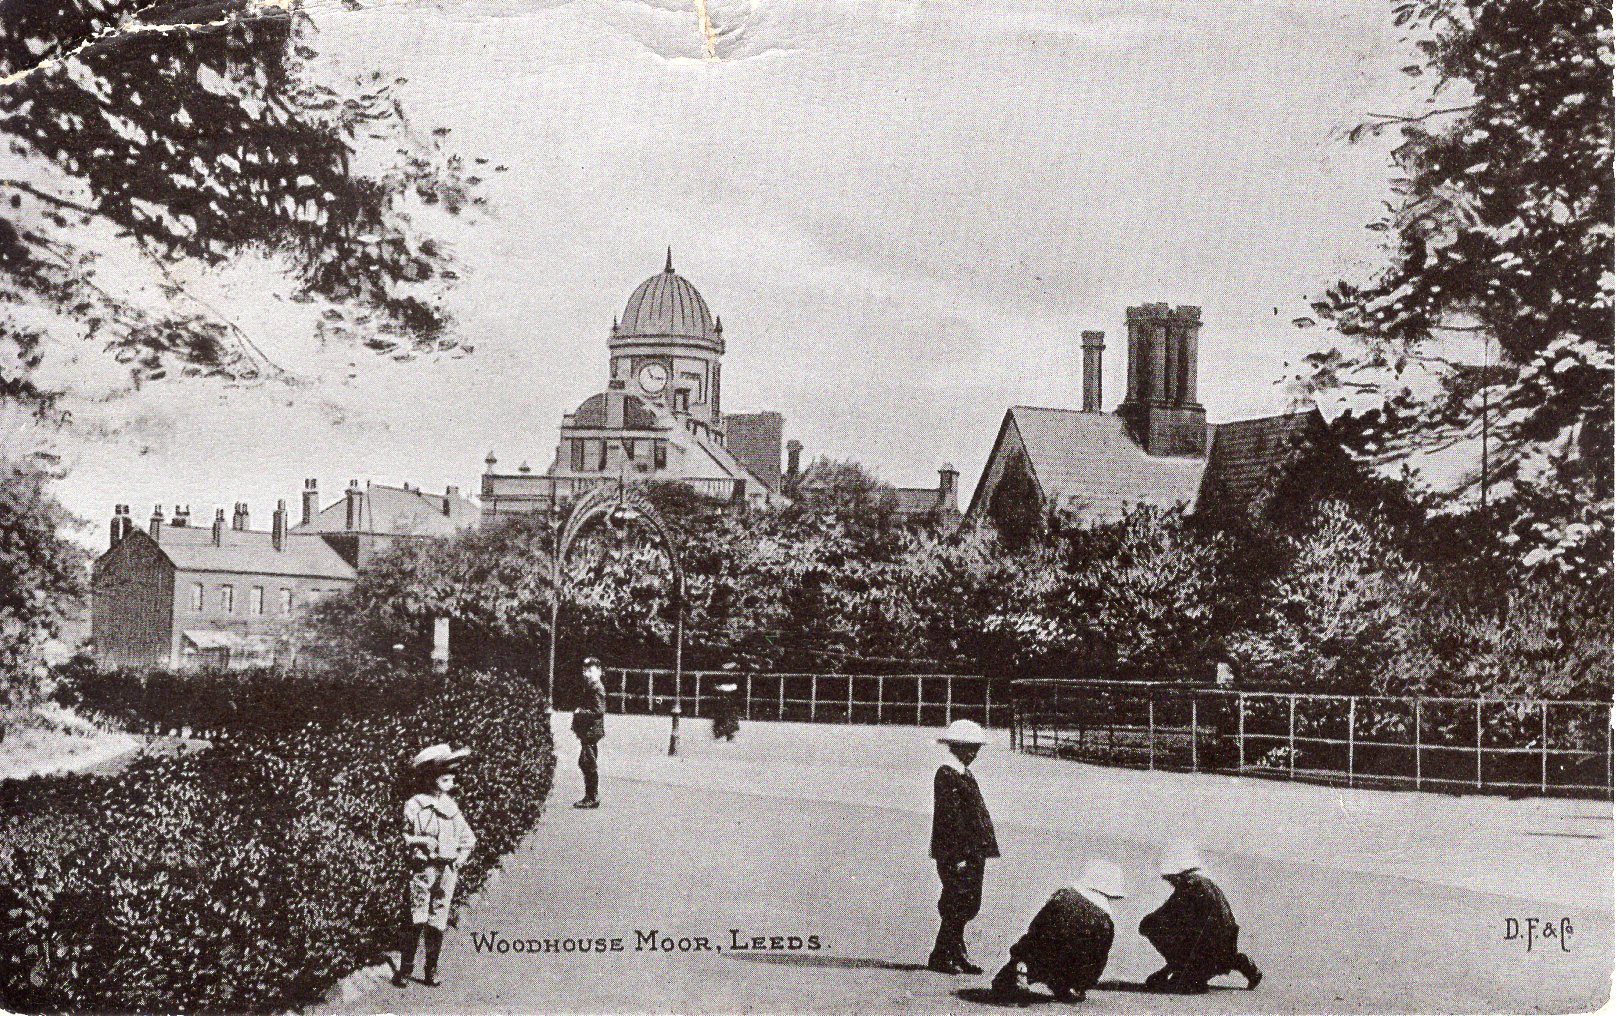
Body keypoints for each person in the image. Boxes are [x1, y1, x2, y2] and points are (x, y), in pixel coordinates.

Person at [394, 743, 477, 988]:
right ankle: (405, 969)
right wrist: (421, 841)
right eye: (443, 776)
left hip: (446, 871)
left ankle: (431, 970)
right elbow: (403, 836)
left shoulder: (452, 809)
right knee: (415, 918)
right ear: (430, 777)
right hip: (423, 870)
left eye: (451, 777)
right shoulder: (415, 805)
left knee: (437, 920)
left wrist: (459, 861)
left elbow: (468, 839)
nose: (449, 781)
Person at [991, 859, 1127, 1003]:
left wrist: (1021, 953)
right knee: (1086, 960)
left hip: (1042, 952)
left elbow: (1036, 926)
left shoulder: (1063, 896)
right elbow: (1098, 959)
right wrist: (1085, 982)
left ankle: (1021, 968)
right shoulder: (1105, 922)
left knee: (1029, 954)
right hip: (1070, 965)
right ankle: (1073, 986)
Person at [1139, 842, 1262, 993]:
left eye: (1170, 878)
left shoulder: (1190, 887)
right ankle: (1237, 962)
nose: (1170, 882)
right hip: (1226, 943)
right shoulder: (1206, 883)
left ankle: (1191, 975)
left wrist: (1175, 967)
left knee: (1151, 925)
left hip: (1206, 949)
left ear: (1177, 874)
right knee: (1218, 952)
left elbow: (1167, 915)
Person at [928, 718, 999, 974]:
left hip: (972, 851)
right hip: (958, 852)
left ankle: (956, 951)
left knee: (968, 902)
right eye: (969, 748)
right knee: (956, 901)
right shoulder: (947, 774)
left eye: (976, 748)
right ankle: (942, 953)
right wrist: (958, 855)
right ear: (955, 747)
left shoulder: (963, 773)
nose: (974, 753)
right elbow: (950, 820)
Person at [571, 657, 608, 808]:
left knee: (587, 763)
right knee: (586, 762)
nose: (586, 674)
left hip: (592, 730)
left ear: (599, 672)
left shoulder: (597, 687)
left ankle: (592, 797)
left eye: (590, 671)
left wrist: (581, 712)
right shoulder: (590, 685)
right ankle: (590, 795)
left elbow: (599, 710)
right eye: (584, 671)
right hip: (589, 731)